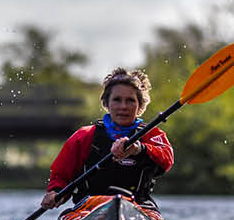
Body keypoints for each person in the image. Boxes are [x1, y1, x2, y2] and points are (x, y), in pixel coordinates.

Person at [41, 68, 174, 210]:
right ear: (106, 103)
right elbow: (61, 175)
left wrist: (138, 149)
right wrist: (55, 192)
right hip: (89, 207)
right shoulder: (84, 136)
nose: (123, 106)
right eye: (117, 100)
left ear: (140, 105)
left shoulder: (151, 135)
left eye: (130, 101)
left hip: (139, 207)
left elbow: (167, 159)